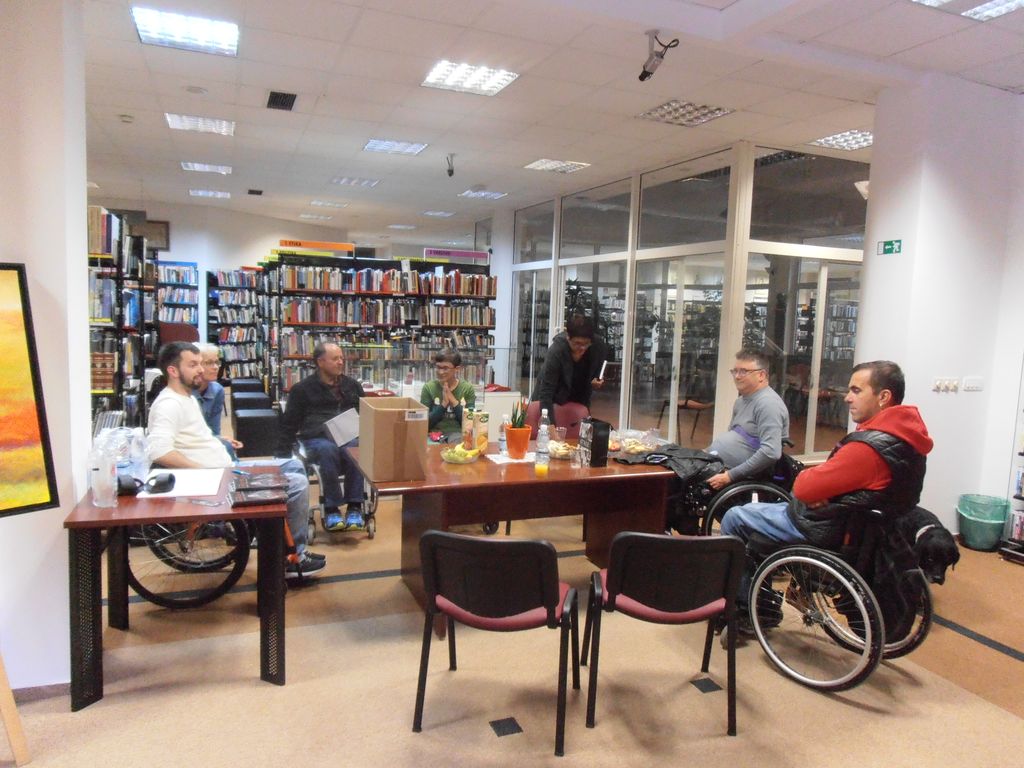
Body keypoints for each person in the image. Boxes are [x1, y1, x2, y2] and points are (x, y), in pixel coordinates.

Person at [719, 360, 933, 632]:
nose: (847, 397)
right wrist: (831, 490)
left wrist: (821, 490)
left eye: (856, 390)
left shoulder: (868, 448)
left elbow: (803, 487)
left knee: (735, 517)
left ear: (883, 397)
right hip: (859, 525)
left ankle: (752, 610)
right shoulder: (908, 440)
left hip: (826, 527)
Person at [147, 342, 325, 579]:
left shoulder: (186, 397)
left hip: (227, 469)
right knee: (297, 484)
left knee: (293, 465)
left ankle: (276, 542)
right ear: (173, 370)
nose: (201, 369)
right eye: (193, 364)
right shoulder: (168, 404)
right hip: (218, 479)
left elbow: (191, 439)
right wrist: (206, 471)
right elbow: (159, 452)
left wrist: (218, 440)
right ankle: (293, 558)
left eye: (200, 363)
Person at [277, 342, 365, 533]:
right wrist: (281, 456)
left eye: (341, 358)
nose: (341, 362)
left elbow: (364, 414)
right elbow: (290, 423)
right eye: (335, 359)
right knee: (327, 449)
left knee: (356, 448)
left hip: (348, 436)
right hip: (317, 438)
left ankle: (355, 506)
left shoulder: (352, 386)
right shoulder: (302, 389)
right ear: (320, 362)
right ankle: (332, 508)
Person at [705, 349, 790, 491]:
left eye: (743, 371)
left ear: (761, 375)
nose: (737, 376)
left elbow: (771, 452)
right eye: (735, 371)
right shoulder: (740, 401)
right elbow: (734, 436)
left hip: (740, 477)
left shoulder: (768, 404)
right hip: (718, 465)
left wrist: (729, 476)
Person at [531, 314, 608, 420]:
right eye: (577, 343)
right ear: (568, 337)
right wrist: (550, 425)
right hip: (552, 398)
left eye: (586, 343)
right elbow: (546, 392)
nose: (582, 348)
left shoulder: (598, 346)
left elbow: (597, 370)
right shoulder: (556, 351)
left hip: (579, 399)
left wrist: (596, 380)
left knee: (579, 425)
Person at [193, 343, 243, 460]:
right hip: (191, 446)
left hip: (206, 442)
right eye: (209, 363)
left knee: (227, 447)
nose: (216, 367)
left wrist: (221, 439)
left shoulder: (217, 390)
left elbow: (214, 431)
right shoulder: (184, 393)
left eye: (217, 362)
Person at [419, 349, 475, 436]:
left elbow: (470, 424)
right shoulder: (428, 388)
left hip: (458, 435)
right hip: (434, 435)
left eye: (445, 368)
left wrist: (454, 401)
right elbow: (423, 423)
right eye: (438, 367)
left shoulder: (467, 389)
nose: (440, 372)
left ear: (457, 369)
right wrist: (443, 405)